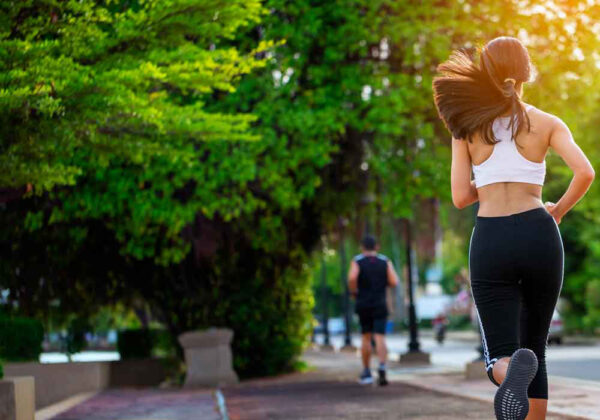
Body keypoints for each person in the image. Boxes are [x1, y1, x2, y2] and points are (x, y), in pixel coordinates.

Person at [433, 37, 594, 420]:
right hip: (540, 233)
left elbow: (459, 197)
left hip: (492, 238)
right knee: (535, 348)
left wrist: (489, 180)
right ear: (526, 73)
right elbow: (585, 172)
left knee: (501, 356)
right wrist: (558, 211)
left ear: (485, 75)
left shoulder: (466, 128)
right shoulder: (548, 122)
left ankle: (508, 374)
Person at [348, 234, 399, 386]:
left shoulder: (357, 261)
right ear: (377, 246)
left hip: (363, 303)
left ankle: (366, 371)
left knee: (366, 337)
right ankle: (382, 367)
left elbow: (351, 278)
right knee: (380, 337)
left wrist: (354, 292)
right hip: (380, 303)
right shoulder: (384, 261)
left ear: (362, 247)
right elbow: (394, 281)